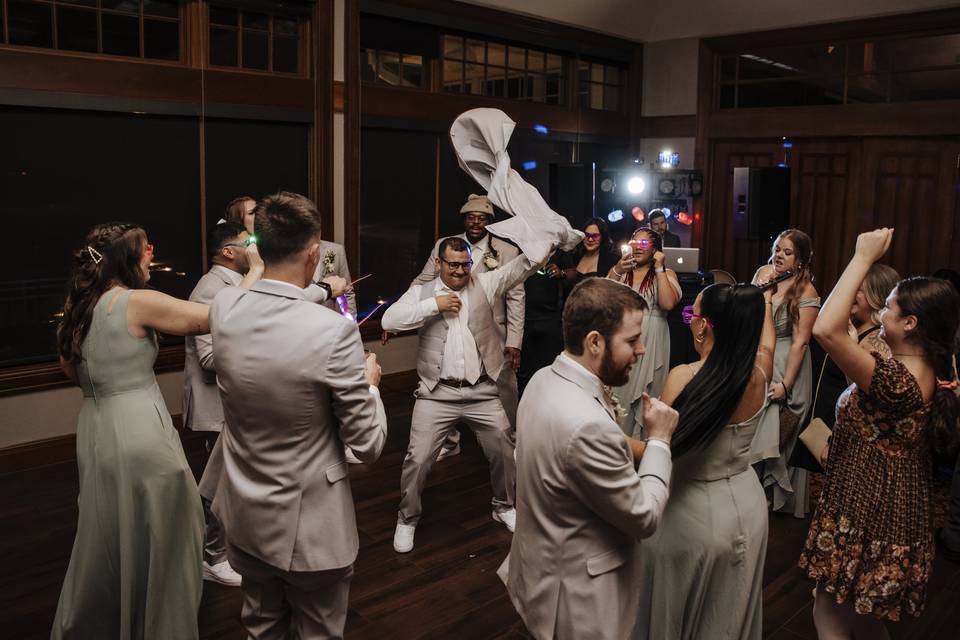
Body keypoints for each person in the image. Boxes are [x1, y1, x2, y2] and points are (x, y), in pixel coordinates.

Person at [209, 192, 388, 639]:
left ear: (258, 248)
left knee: (261, 627)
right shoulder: (332, 332)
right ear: (314, 253)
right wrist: (369, 383)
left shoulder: (225, 309)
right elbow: (368, 445)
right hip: (309, 530)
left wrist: (316, 287)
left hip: (245, 516)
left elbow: (272, 295)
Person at [52, 223, 216, 639]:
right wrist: (253, 274)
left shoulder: (77, 310)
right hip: (140, 427)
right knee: (172, 527)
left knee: (110, 533)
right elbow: (211, 319)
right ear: (125, 259)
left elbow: (72, 372)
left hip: (95, 429)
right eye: (145, 249)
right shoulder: (136, 302)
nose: (152, 254)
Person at [498, 277, 678, 640]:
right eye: (632, 340)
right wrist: (659, 440)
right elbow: (644, 517)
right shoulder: (587, 425)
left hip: (540, 569)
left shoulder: (541, 379)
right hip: (578, 600)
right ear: (594, 342)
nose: (642, 350)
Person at [800, 228, 960, 635]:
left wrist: (862, 257)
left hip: (869, 506)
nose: (880, 314)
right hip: (886, 502)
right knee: (860, 617)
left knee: (829, 610)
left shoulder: (897, 380)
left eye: (887, 308)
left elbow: (823, 330)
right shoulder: (927, 368)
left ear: (909, 323)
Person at [633, 282, 775, 639]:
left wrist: (600, 435)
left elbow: (660, 449)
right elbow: (768, 343)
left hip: (689, 511)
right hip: (747, 505)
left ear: (702, 325)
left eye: (692, 313)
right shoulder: (759, 373)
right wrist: (762, 304)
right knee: (729, 610)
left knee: (676, 611)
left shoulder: (685, 377)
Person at [382, 235, 540, 553]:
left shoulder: (485, 283)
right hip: (437, 393)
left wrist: (542, 244)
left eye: (465, 264)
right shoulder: (422, 292)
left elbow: (519, 270)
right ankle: (407, 518)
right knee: (418, 458)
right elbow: (389, 320)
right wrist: (433, 305)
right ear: (439, 263)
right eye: (452, 264)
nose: (459, 271)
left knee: (504, 450)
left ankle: (504, 506)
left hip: (482, 390)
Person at [182, 221, 264, 588]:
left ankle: (234, 546)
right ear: (229, 252)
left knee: (236, 485)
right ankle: (211, 557)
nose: (257, 248)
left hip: (241, 404)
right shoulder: (209, 290)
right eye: (251, 242)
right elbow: (209, 359)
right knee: (214, 489)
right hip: (218, 406)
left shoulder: (242, 285)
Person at [411, 194, 525, 449]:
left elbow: (516, 298)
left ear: (490, 222)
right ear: (464, 219)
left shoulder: (506, 250)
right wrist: (407, 307)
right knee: (444, 379)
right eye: (471, 218)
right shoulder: (445, 244)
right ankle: (449, 441)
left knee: (504, 383)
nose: (476, 223)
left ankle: (511, 435)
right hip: (448, 323)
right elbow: (423, 280)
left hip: (492, 329)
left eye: (482, 218)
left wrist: (514, 341)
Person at [793, 264, 898, 472]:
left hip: (844, 438)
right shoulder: (849, 328)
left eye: (858, 288)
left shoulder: (875, 340)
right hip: (824, 429)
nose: (850, 293)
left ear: (876, 296)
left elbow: (869, 400)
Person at [751, 229, 820, 517]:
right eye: (777, 248)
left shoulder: (806, 290)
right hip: (758, 356)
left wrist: (786, 384)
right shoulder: (764, 272)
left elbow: (801, 341)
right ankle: (751, 494)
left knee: (777, 433)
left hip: (786, 362)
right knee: (753, 427)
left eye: (787, 252)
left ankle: (775, 499)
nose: (778, 255)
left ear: (801, 259)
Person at [607, 226, 682, 438]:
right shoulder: (623, 272)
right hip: (623, 338)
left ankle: (642, 452)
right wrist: (618, 269)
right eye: (634, 243)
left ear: (655, 249)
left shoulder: (666, 274)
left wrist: (659, 268)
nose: (637, 248)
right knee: (619, 392)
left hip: (653, 341)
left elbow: (667, 303)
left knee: (647, 396)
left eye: (644, 244)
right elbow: (602, 299)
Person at [546, 217, 619, 287]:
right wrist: (561, 274)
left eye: (595, 236)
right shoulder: (575, 256)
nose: (590, 239)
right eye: (587, 235)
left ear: (603, 237)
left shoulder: (611, 259)